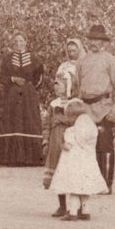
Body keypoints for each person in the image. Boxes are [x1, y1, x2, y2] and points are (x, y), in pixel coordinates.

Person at [75, 24, 115, 194]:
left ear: (103, 42)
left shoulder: (110, 60)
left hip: (104, 108)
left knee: (104, 147)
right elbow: (77, 86)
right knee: (86, 146)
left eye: (98, 39)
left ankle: (106, 184)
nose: (94, 42)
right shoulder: (82, 61)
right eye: (91, 39)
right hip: (85, 109)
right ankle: (90, 182)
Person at [49, 99, 108, 221]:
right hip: (88, 162)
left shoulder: (73, 130)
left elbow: (69, 144)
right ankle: (85, 211)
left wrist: (64, 142)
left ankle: (73, 213)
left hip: (76, 164)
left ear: (73, 116)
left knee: (74, 189)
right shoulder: (90, 124)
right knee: (84, 189)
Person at [0, 33, 43, 166]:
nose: (18, 43)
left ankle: (31, 158)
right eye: (16, 41)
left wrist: (30, 88)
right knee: (13, 121)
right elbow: (1, 77)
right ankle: (11, 158)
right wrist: (12, 79)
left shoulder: (34, 58)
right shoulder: (7, 58)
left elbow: (40, 77)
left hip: (29, 96)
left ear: (26, 42)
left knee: (30, 121)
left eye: (21, 40)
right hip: (12, 96)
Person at [43, 75, 74, 217]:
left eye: (59, 85)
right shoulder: (53, 104)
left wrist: (61, 119)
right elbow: (47, 124)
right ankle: (62, 206)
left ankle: (75, 207)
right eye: (55, 85)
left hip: (70, 139)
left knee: (71, 171)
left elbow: (75, 120)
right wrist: (45, 140)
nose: (56, 87)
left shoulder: (74, 103)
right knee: (57, 171)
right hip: (56, 141)